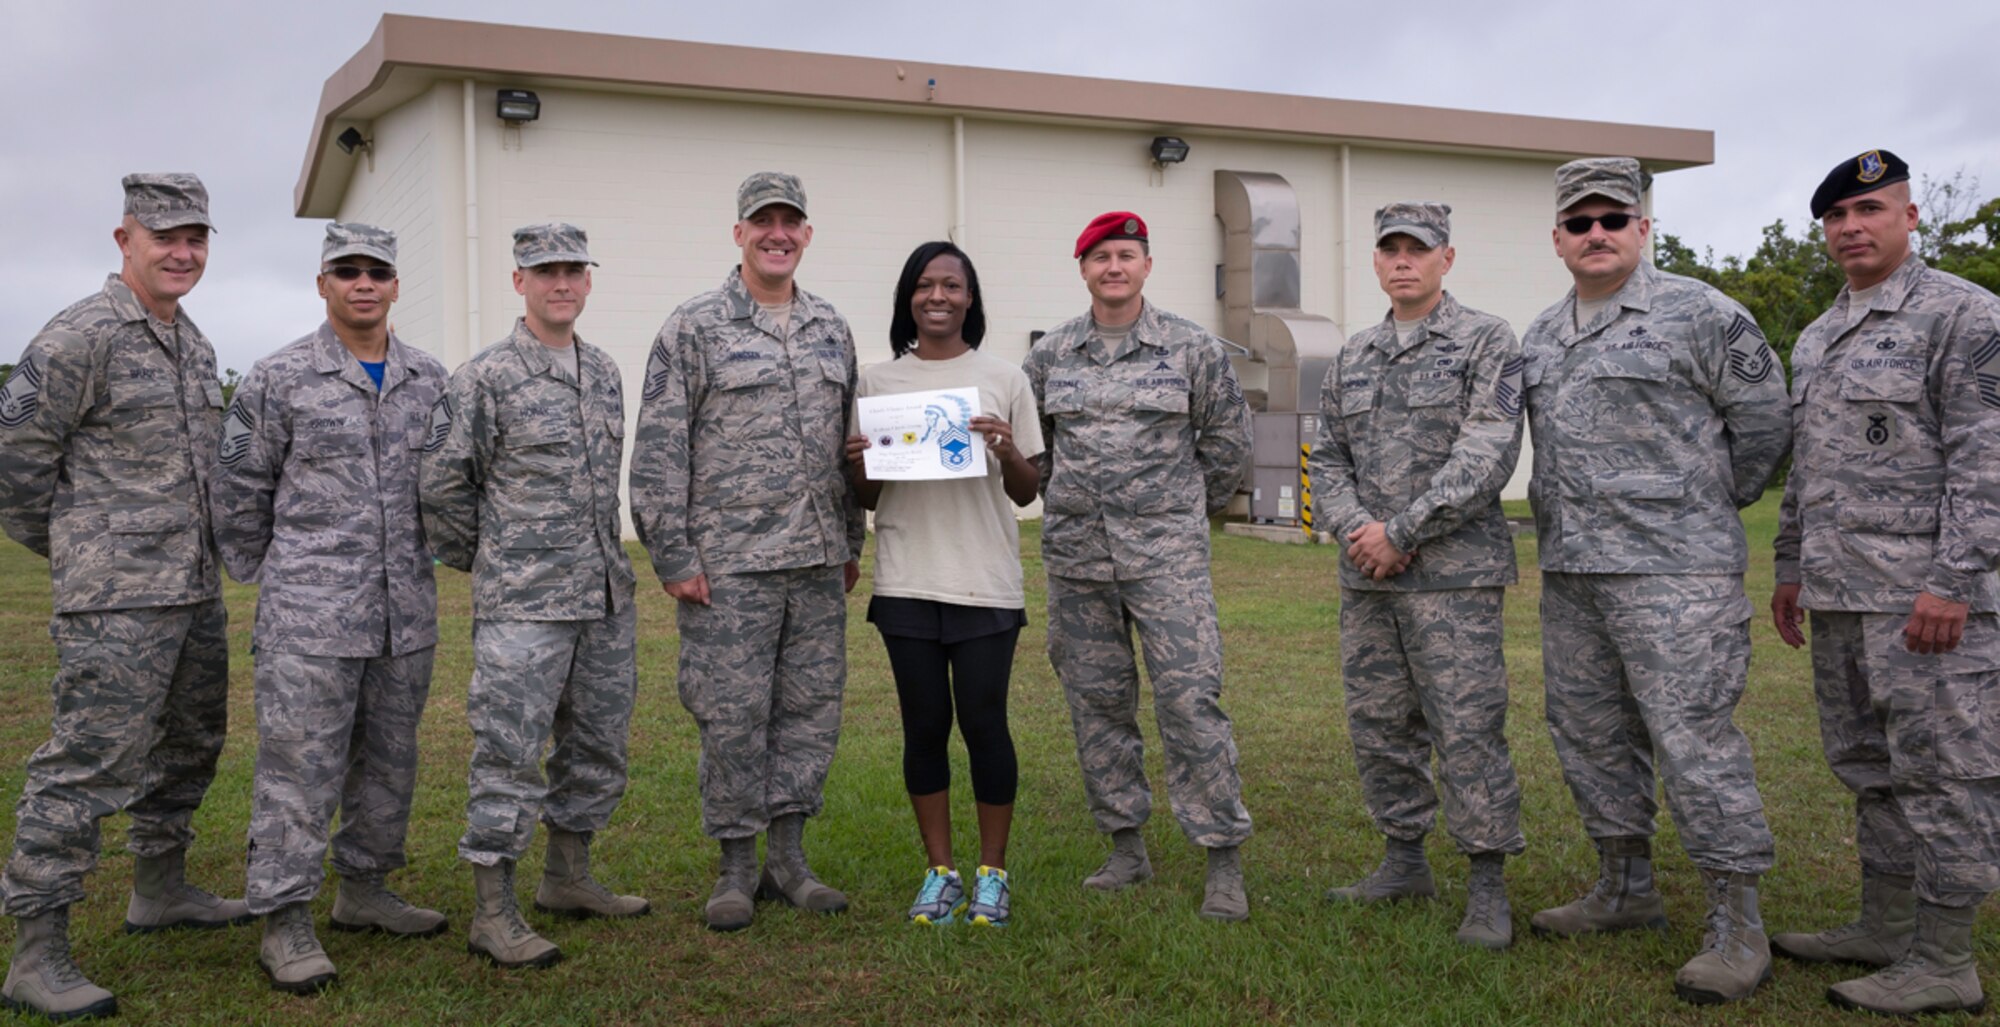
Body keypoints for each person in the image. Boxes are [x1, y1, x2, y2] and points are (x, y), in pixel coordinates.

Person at [1519, 158, 1791, 1004]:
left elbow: (1765, 424)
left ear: (1643, 228)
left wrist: (1702, 504)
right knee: (1590, 733)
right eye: (1580, 222)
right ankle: (1625, 885)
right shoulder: (1542, 334)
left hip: (1677, 574)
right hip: (1574, 574)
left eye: (1613, 218)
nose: (1596, 233)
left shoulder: (1702, 312)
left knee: (1694, 743)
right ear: (1558, 238)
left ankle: (1738, 922)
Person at [0, 173, 251, 1020]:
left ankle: (160, 887)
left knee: (190, 746)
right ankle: (37, 950)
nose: (182, 253)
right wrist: (83, 548)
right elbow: (14, 462)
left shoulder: (194, 343)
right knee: (87, 763)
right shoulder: (79, 336)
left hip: (193, 591)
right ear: (125, 240)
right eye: (164, 236)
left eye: (196, 238)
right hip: (115, 603)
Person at [1769, 149, 2000, 1017]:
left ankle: (1944, 958)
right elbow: (1808, 468)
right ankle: (1885, 925)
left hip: (1924, 602)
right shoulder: (1819, 334)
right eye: (1836, 216)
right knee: (1869, 768)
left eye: (1869, 209)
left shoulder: (1964, 315)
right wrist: (1790, 564)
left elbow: (1987, 460)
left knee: (1944, 772)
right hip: (1839, 595)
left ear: (1911, 216)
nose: (1850, 227)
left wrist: (1954, 579)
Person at [210, 223, 450, 993]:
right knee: (298, 770)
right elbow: (237, 488)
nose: (363, 283)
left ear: (396, 284)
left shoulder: (429, 379)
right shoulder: (279, 378)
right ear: (322, 284)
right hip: (310, 620)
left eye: (377, 270)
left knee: (389, 762)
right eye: (346, 271)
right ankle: (284, 917)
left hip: (403, 614)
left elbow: (450, 483)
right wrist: (284, 577)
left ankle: (365, 888)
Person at [630, 172, 864, 932]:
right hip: (729, 566)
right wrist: (673, 555)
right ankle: (735, 866)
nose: (777, 234)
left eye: (790, 222)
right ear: (739, 234)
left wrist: (849, 539)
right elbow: (660, 447)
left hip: (816, 561)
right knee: (731, 714)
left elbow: (847, 441)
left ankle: (789, 859)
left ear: (807, 235)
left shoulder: (831, 327)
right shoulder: (694, 327)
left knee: (809, 711)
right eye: (763, 222)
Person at [421, 223, 647, 971]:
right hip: (524, 604)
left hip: (602, 597)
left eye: (573, 270)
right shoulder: (484, 377)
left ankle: (567, 876)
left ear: (589, 279)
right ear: (519, 281)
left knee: (597, 746)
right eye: (545, 271)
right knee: (509, 753)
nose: (561, 283)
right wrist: (494, 559)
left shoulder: (603, 370)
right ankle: (493, 910)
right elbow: (442, 485)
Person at [1022, 211, 1253, 922]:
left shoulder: (1191, 347)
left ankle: (1222, 856)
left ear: (1147, 265)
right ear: (1083, 270)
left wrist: (1177, 515)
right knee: (1096, 705)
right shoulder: (1051, 355)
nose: (1113, 267)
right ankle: (1125, 846)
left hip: (1166, 564)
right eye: (1100, 257)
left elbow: (1228, 445)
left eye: (1126, 255)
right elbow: (1037, 451)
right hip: (1078, 562)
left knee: (1190, 702)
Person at [1307, 202, 1526, 948]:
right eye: (1390, 249)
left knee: (1467, 726)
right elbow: (1327, 456)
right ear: (1375, 261)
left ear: (1446, 258)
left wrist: (1399, 532)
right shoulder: (1354, 354)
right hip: (1369, 578)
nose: (1403, 260)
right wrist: (1357, 531)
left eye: (1418, 248)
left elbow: (1488, 453)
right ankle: (1404, 860)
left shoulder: (1486, 340)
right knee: (1379, 724)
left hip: (1454, 579)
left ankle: (1487, 884)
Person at [843, 242, 1041, 928]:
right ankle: (940, 873)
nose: (938, 296)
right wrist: (858, 464)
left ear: (969, 298)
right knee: (924, 727)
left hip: (984, 581)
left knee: (986, 726)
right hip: (907, 578)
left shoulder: (1004, 377)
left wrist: (1006, 447)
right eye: (925, 285)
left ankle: (992, 874)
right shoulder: (875, 384)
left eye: (951, 285)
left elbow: (1026, 491)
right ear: (908, 297)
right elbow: (868, 495)